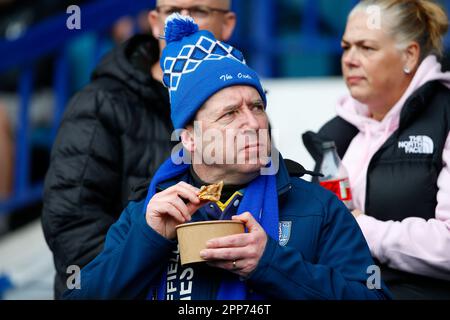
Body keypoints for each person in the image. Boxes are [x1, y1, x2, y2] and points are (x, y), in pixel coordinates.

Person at [63, 14, 391, 300]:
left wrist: (271, 263)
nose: (252, 123)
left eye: (257, 107)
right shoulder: (147, 214)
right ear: (189, 138)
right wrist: (147, 242)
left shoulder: (317, 208)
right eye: (230, 113)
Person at [42, 0, 237, 299]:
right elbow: (72, 227)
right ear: (155, 22)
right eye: (172, 12)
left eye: (199, 11)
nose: (181, 22)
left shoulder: (242, 104)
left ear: (227, 25)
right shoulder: (99, 104)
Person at [303, 0, 450, 299]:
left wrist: (358, 228)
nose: (350, 59)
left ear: (409, 54)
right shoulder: (335, 134)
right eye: (346, 47)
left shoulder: (444, 118)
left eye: (366, 47)